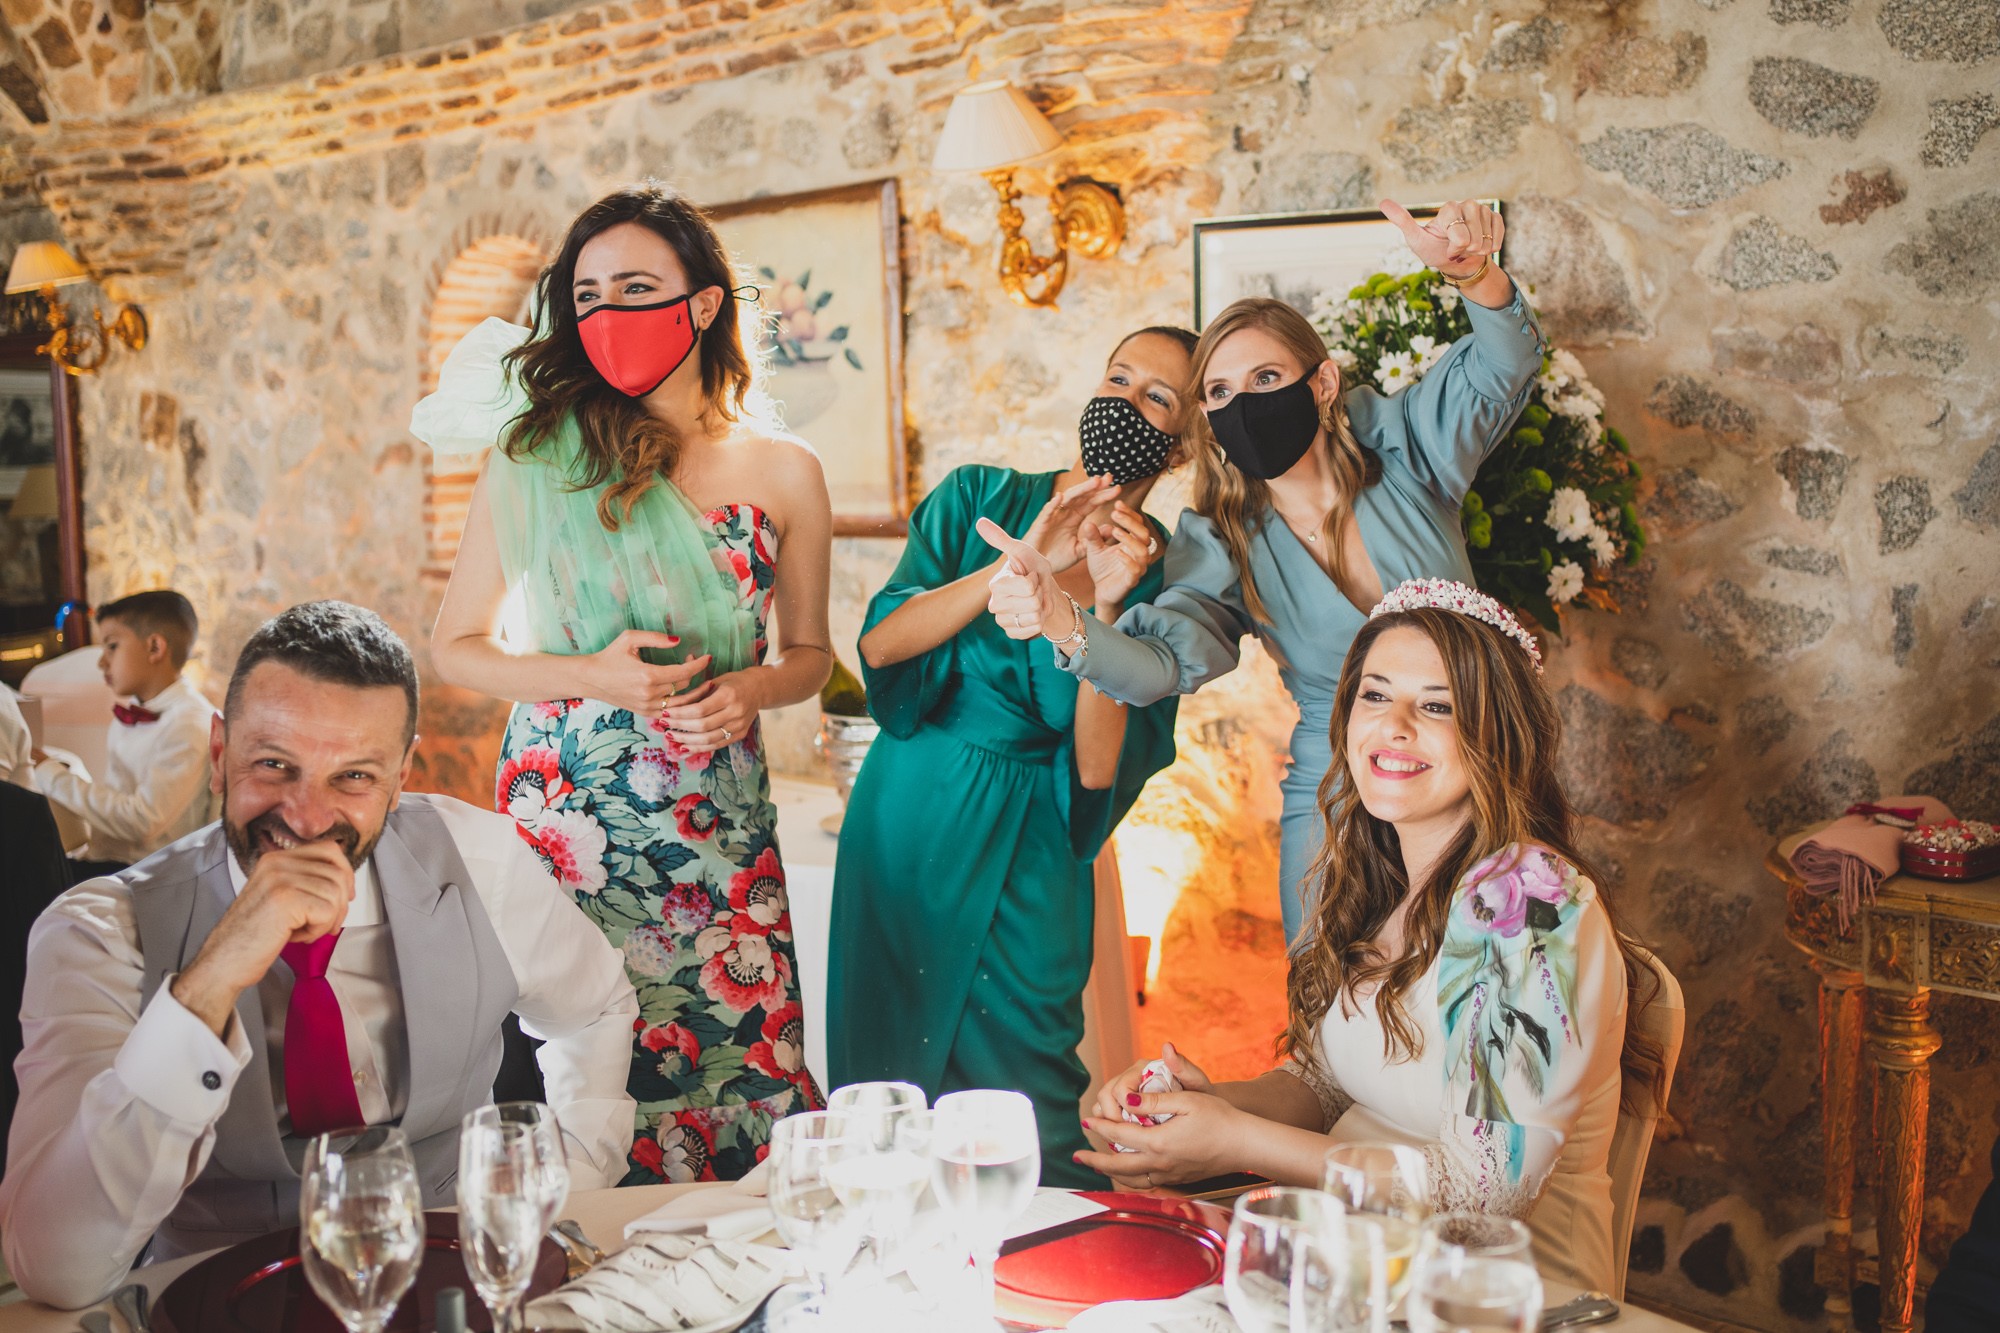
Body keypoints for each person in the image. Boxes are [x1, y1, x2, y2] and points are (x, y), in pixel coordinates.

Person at [0, 601, 638, 1309]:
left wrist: (570, 1184)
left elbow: (595, 1007)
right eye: (274, 764)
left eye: (355, 777)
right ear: (219, 755)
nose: (306, 816)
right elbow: (54, 1266)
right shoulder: (100, 932)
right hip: (214, 1306)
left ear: (400, 779)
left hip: (459, 1296)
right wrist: (207, 985)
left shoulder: (480, 862)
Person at [1077, 580, 1662, 1293]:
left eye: (1437, 705)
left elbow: (1482, 1199)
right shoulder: (1377, 877)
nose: (1395, 724)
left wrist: (1231, 1141)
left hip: (1493, 1300)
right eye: (1376, 695)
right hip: (1346, 1266)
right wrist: (1207, 1107)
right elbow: (1323, 1084)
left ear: (1499, 734)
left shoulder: (1531, 900)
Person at [984, 200, 1544, 940]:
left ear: (1321, 384)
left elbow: (1504, 367)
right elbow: (1157, 665)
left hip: (1476, 761)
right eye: (1218, 394)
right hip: (1337, 788)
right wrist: (1063, 616)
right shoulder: (1222, 538)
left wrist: (1474, 274)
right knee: (1327, 1002)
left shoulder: (1409, 447)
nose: (1241, 405)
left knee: (1497, 989)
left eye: (1266, 377)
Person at [420, 182, 833, 1183]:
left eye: (637, 286)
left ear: (700, 304)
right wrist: (594, 679)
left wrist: (754, 692)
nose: (608, 315)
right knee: (576, 1068)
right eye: (589, 294)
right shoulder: (534, 459)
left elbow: (811, 655)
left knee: (740, 1065)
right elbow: (455, 646)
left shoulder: (784, 470)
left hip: (715, 827)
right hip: (572, 825)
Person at [827, 327, 1196, 1186]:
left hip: (1033, 842)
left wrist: (1102, 604)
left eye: (1156, 397)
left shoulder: (1162, 576)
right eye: (1118, 377)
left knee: (1031, 1099)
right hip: (907, 816)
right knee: (883, 1093)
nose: (1125, 402)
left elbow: (1098, 768)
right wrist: (1026, 558)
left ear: (1179, 447)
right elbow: (882, 646)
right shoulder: (978, 497)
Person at [29, 590, 217, 878]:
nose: (101, 662)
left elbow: (141, 822)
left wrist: (52, 774)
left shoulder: (188, 723)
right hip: (106, 859)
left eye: (112, 647)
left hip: (150, 875)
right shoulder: (131, 713)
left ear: (155, 647)